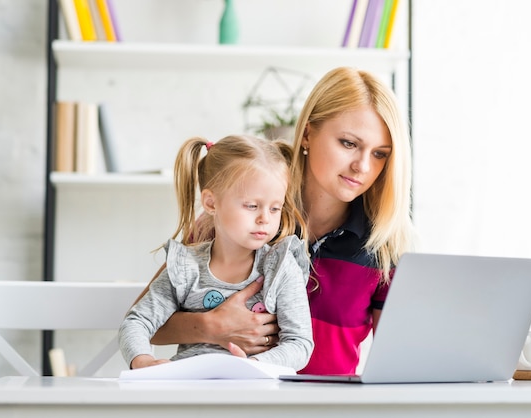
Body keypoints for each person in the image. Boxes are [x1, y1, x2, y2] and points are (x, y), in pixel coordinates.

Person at [140, 66, 415, 375]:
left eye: (379, 154)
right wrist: (210, 326)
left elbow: (399, 364)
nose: (362, 166)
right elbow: (145, 324)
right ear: (308, 133)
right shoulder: (244, 214)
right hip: (233, 401)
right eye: (349, 143)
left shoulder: (382, 246)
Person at [119, 135, 314, 371]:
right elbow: (137, 321)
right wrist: (142, 360)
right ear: (211, 203)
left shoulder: (281, 266)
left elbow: (300, 343)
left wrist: (252, 366)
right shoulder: (185, 267)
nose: (265, 218)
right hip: (189, 391)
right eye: (252, 206)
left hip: (254, 393)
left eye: (275, 208)